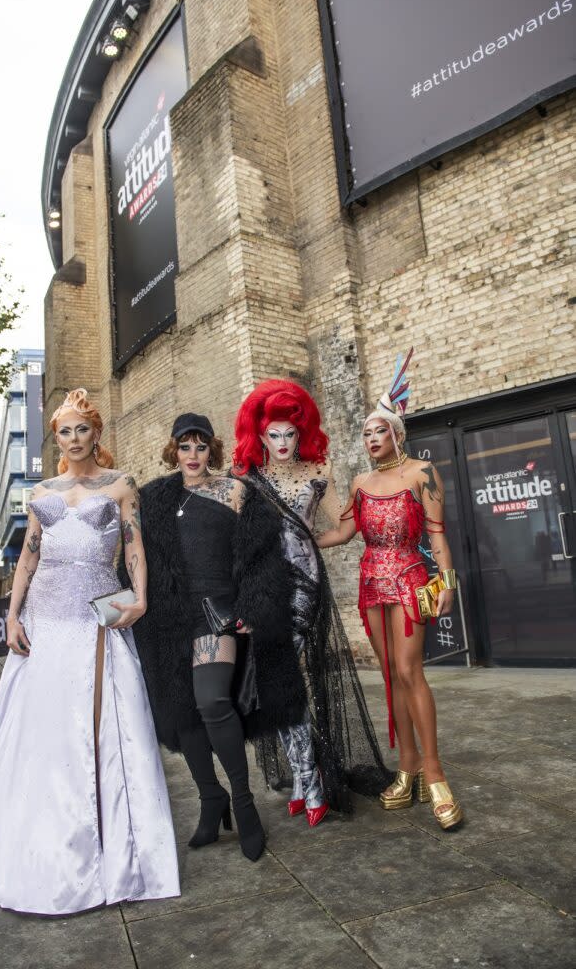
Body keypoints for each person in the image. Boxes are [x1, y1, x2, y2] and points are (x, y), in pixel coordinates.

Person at [0, 388, 179, 914]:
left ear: (96, 434)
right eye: (65, 431)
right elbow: (28, 560)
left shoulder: (121, 485)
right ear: (55, 438)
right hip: (45, 618)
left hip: (96, 616)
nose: (75, 438)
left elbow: (133, 547)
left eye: (83, 429)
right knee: (43, 731)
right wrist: (12, 614)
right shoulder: (42, 493)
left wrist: (142, 598)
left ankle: (110, 852)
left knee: (102, 726)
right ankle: (41, 852)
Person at [134, 413, 307, 862]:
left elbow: (265, 559)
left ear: (213, 448)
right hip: (170, 616)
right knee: (184, 711)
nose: (193, 455)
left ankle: (244, 804)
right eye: (185, 447)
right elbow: (137, 558)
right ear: (174, 450)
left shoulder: (236, 492)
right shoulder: (152, 497)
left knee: (212, 701)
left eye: (201, 446)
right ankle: (211, 801)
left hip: (218, 613)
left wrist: (255, 606)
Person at [233, 381, 391, 825]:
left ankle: (312, 781)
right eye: (274, 435)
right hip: (265, 588)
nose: (283, 443)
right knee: (273, 683)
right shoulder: (246, 480)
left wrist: (306, 542)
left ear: (300, 433)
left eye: (289, 434)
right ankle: (305, 779)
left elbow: (346, 527)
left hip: (304, 586)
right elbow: (239, 544)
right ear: (261, 438)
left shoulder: (318, 471)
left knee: (284, 677)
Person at [317, 351, 463, 830]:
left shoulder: (423, 473)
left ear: (397, 433)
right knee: (388, 673)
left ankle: (436, 773)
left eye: (378, 430)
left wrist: (447, 580)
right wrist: (294, 541)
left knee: (408, 668)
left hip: (410, 578)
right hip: (371, 583)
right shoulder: (360, 482)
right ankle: (407, 766)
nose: (371, 438)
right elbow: (341, 534)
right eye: (365, 432)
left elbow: (437, 534)